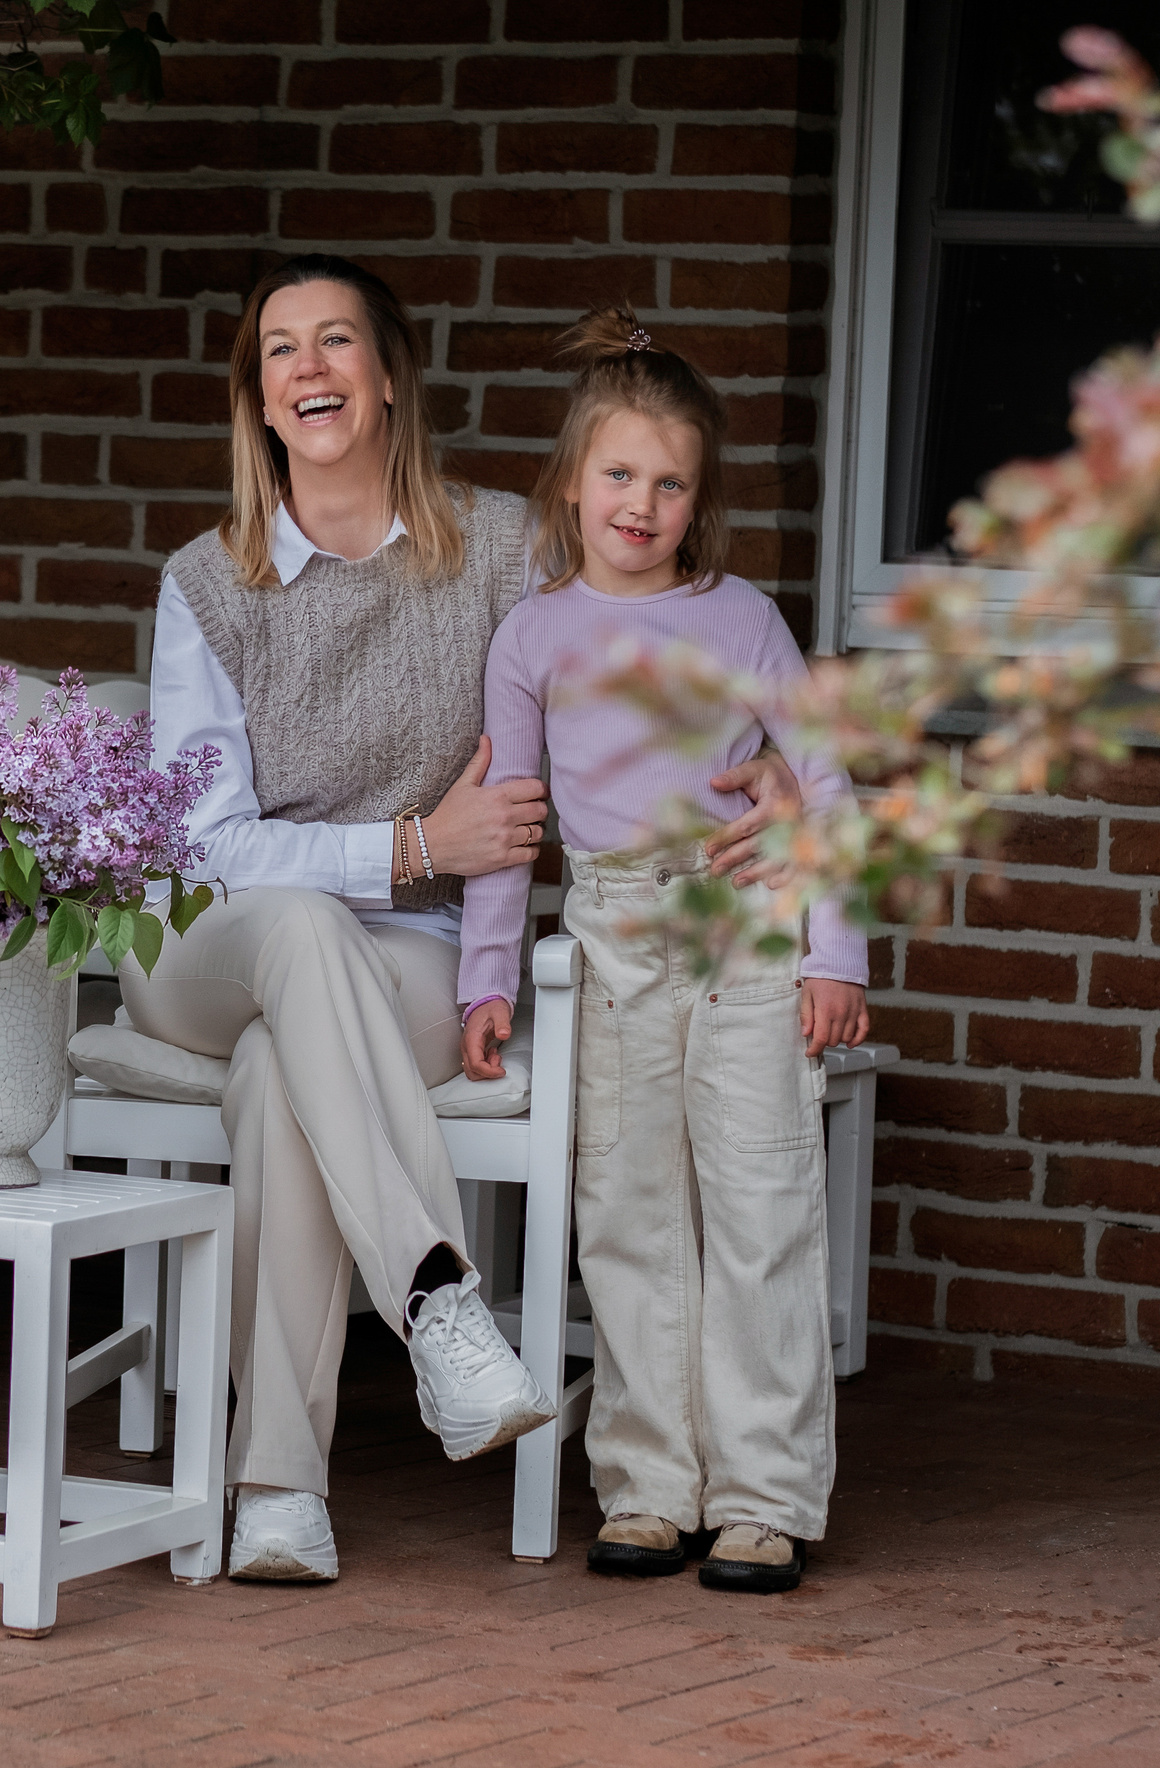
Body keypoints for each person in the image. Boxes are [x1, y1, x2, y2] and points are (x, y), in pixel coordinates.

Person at [130, 255, 801, 1583]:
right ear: (258, 398)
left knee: (284, 1074)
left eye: (337, 344)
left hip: (416, 962)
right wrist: (410, 844)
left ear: (388, 382)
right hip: (211, 945)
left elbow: (654, 624)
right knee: (297, 933)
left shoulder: (505, 550)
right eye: (280, 350)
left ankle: (276, 1491)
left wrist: (774, 764)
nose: (308, 368)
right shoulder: (207, 583)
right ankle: (438, 1302)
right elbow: (202, 844)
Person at [458, 310, 867, 1595]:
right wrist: (487, 977)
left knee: (756, 1205)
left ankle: (761, 1495)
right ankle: (647, 1485)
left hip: (740, 924)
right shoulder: (528, 637)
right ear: (571, 481)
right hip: (611, 931)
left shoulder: (739, 617)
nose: (640, 503)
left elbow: (825, 778)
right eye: (619, 475)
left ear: (700, 501)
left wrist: (833, 954)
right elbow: (508, 820)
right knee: (626, 1213)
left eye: (670, 482)